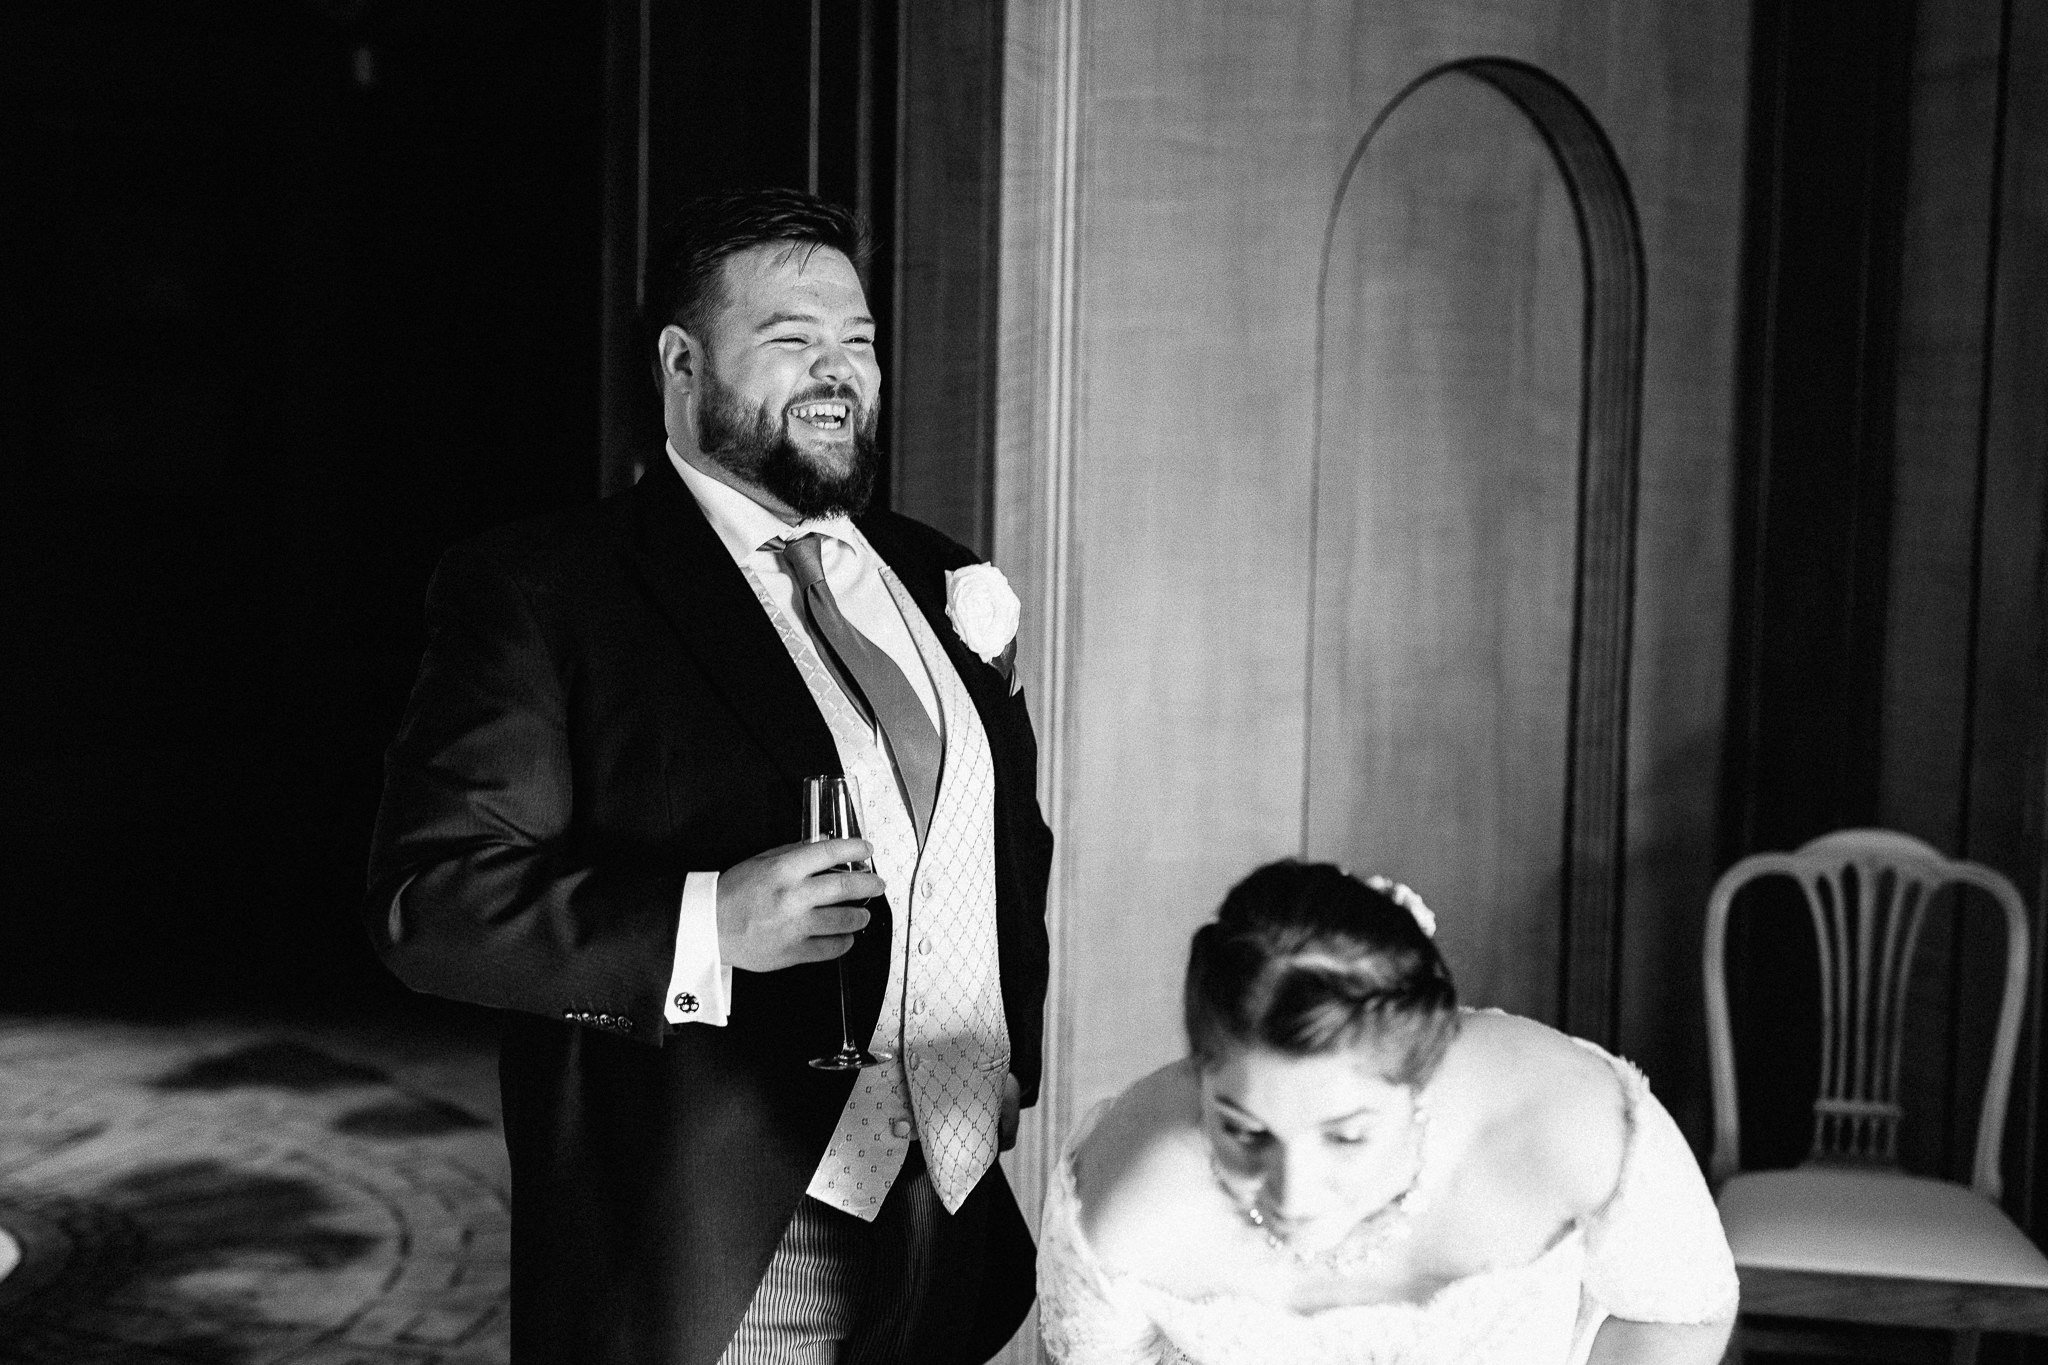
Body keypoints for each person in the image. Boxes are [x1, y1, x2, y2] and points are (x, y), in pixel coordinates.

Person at [366, 187, 1054, 1364]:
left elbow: (1006, 846)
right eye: (791, 340)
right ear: (682, 364)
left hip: (948, 1228)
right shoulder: (544, 590)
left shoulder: (937, 575)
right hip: (722, 1242)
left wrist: (1004, 1069)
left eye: (859, 343)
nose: (837, 372)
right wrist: (705, 926)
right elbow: (431, 906)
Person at [1039, 861, 1737, 1364]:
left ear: (1423, 1075)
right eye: (1244, 1131)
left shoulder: (1569, 1121)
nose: (1294, 1192)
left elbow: (1684, 1314)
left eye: (1346, 1135)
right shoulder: (1124, 1203)